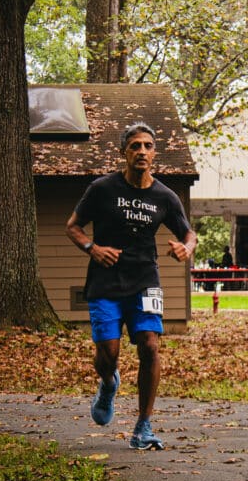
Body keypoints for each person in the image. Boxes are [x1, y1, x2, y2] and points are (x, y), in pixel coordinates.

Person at [66, 122, 197, 450]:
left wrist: (187, 248)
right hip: (104, 282)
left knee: (150, 346)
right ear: (123, 152)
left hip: (145, 282)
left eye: (148, 146)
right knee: (109, 353)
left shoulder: (165, 196)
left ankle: (143, 426)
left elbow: (188, 233)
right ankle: (108, 383)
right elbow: (73, 226)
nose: (142, 151)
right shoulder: (102, 189)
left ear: (154, 153)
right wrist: (92, 249)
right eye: (135, 145)